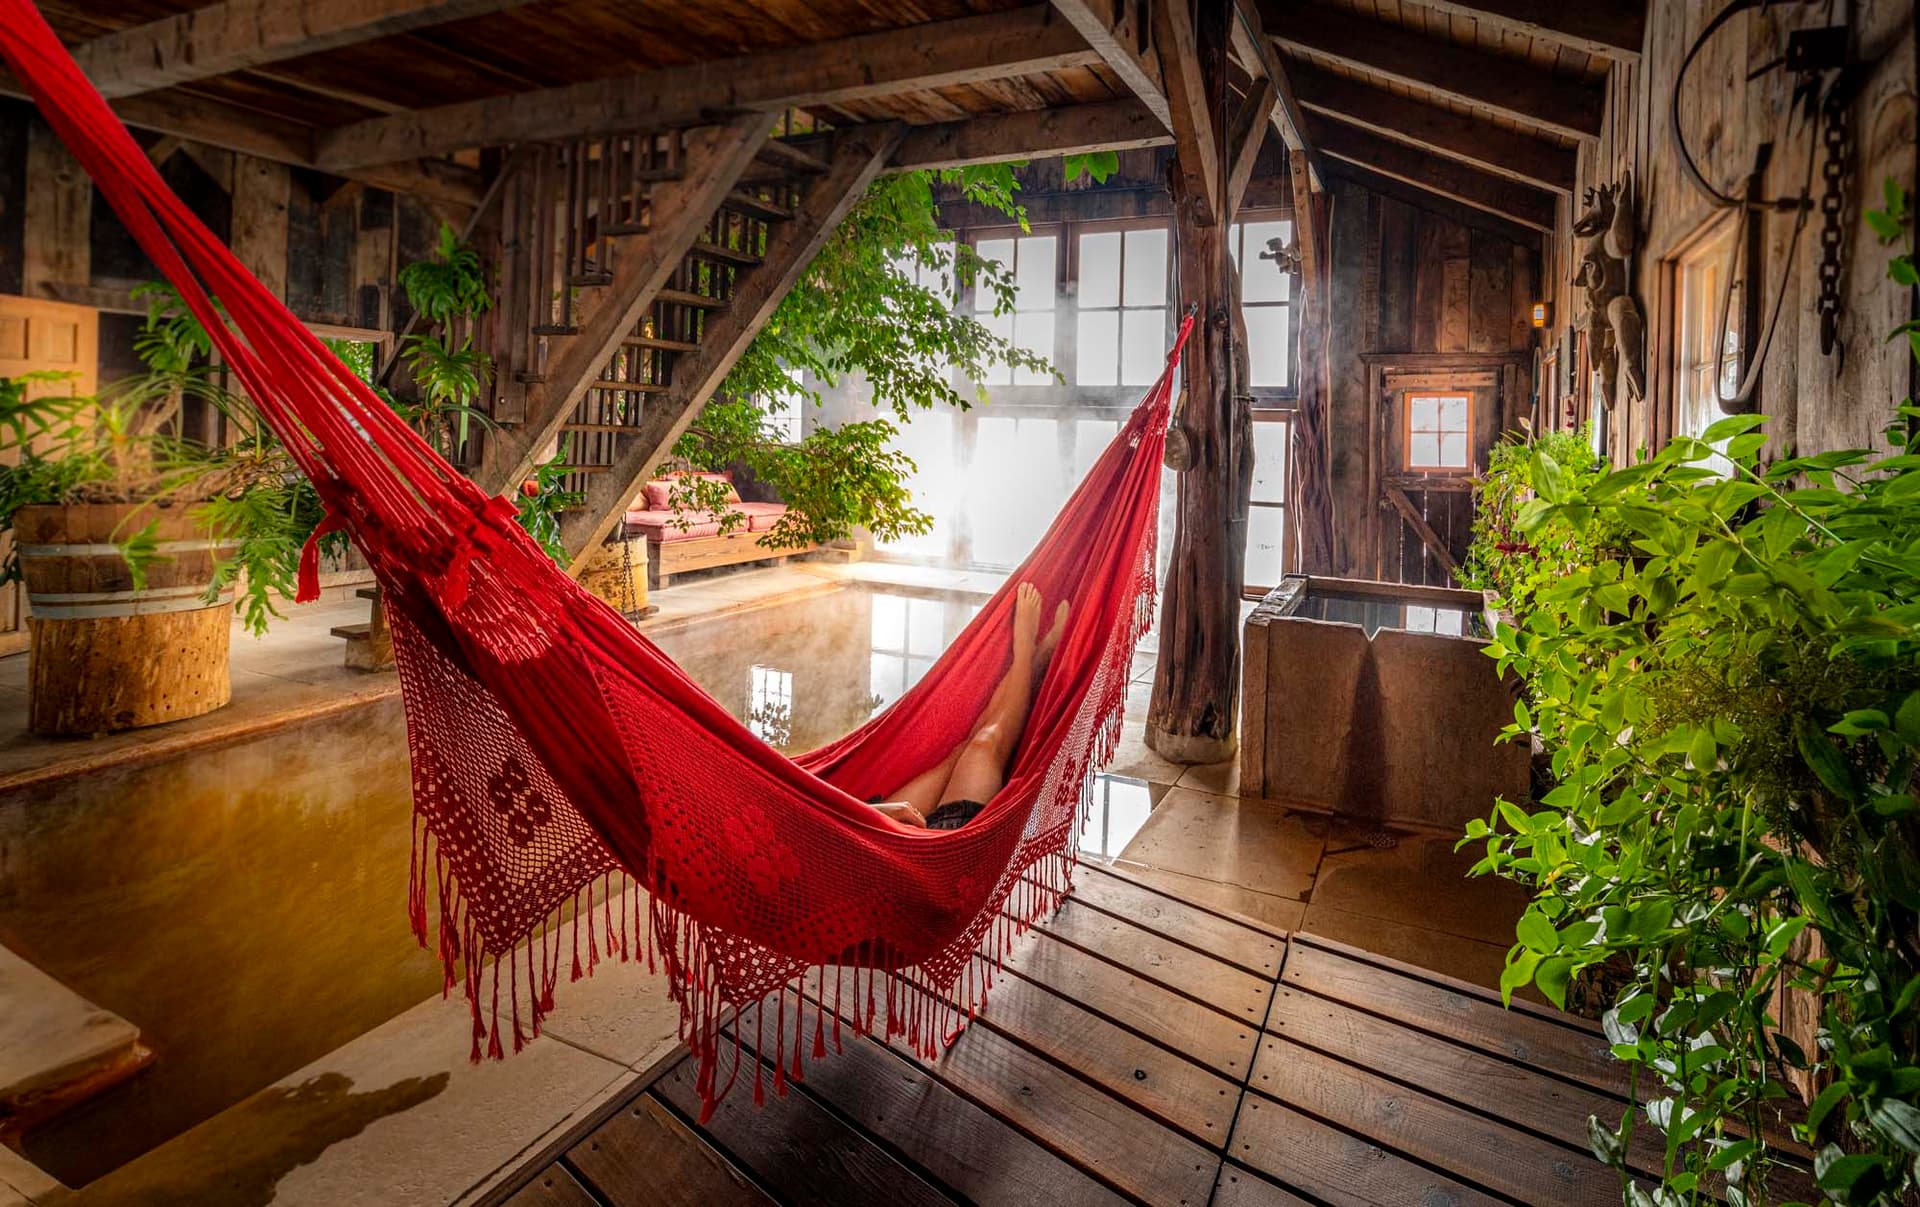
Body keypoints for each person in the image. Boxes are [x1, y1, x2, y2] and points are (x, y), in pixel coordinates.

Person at [871, 582, 1068, 830]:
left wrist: (884, 810)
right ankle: (1027, 652)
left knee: (961, 753)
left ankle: (1031, 662)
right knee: (984, 744)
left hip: (865, 826)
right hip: (925, 854)